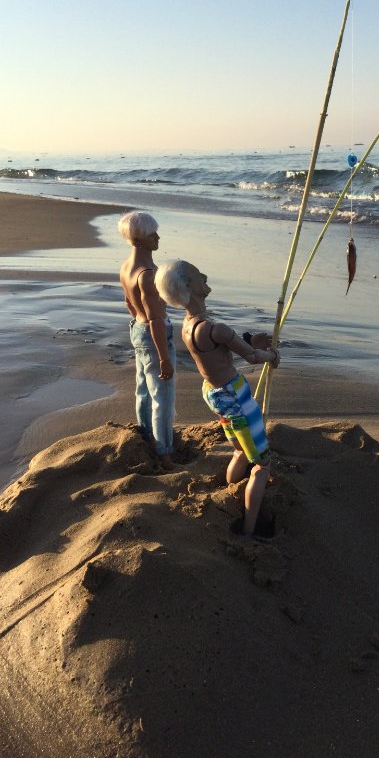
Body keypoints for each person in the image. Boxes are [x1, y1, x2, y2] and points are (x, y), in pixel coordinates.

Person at [155, 260, 280, 536]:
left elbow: (222, 349)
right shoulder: (215, 328)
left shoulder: (189, 326)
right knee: (261, 464)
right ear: (189, 286)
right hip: (234, 395)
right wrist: (271, 356)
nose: (205, 276)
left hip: (214, 394)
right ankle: (249, 529)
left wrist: (249, 338)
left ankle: (230, 491)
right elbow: (251, 356)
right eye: (199, 275)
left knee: (239, 449)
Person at [118, 211, 176, 470]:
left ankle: (145, 435)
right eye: (152, 234)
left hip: (136, 329)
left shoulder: (126, 266)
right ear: (139, 240)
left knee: (143, 388)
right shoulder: (148, 273)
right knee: (162, 395)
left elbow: (128, 303)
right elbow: (155, 318)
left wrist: (137, 322)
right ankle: (164, 453)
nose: (158, 238)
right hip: (154, 333)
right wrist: (164, 357)